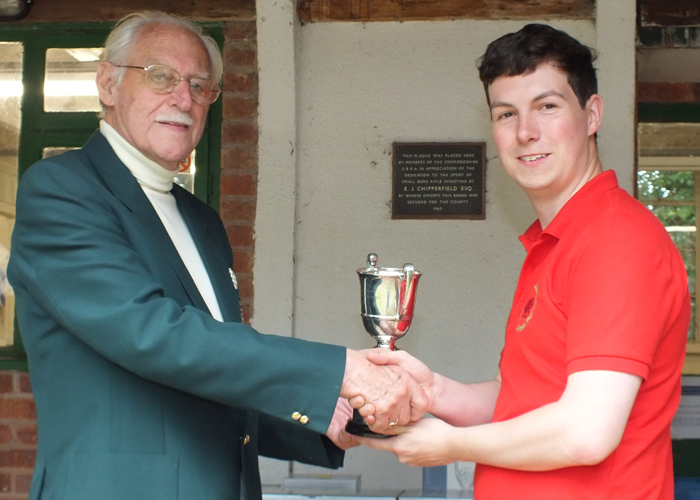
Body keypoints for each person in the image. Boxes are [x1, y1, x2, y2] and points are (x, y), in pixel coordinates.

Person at [7, 11, 429, 500]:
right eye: (160, 76)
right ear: (107, 82)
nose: (183, 99)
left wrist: (324, 420)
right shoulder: (61, 191)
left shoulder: (200, 220)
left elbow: (211, 373)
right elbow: (156, 336)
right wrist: (340, 372)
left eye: (200, 86)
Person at [359, 23, 690, 500]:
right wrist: (434, 392)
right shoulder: (557, 242)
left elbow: (586, 431)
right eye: (506, 114)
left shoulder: (616, 240)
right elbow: (520, 401)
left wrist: (451, 444)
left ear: (592, 114)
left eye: (547, 107)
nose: (526, 132)